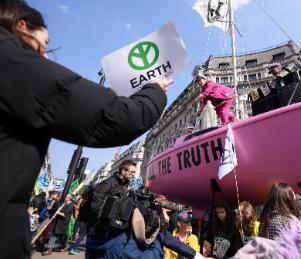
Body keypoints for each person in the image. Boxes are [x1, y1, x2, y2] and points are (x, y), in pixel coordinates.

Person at [0, 1, 172, 258]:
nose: (44, 56)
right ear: (22, 26)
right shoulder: (12, 62)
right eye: (43, 44)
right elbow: (115, 118)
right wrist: (154, 91)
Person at [85, 160, 137, 258]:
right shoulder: (107, 183)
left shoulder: (125, 186)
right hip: (98, 230)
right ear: (123, 171)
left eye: (134, 172)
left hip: (111, 230)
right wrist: (109, 220)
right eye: (131, 172)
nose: (133, 174)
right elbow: (95, 206)